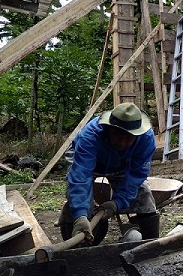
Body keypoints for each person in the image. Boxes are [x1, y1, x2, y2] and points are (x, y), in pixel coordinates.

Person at [59, 102, 159, 244]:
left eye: (129, 138)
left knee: (144, 194)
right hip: (86, 159)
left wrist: (117, 202)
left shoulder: (146, 139)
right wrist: (80, 214)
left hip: (121, 162)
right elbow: (81, 177)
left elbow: (136, 174)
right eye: (118, 136)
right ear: (108, 129)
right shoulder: (89, 137)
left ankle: (151, 243)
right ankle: (77, 232)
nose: (123, 143)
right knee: (78, 200)